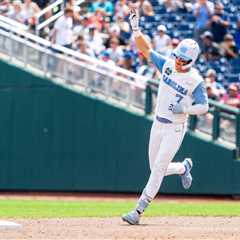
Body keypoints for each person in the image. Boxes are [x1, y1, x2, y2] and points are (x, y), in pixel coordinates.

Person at [122, 6, 209, 225]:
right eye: (178, 57)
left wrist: (186, 109)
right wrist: (135, 29)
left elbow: (204, 107)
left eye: (183, 60)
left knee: (159, 168)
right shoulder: (169, 65)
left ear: (192, 61)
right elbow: (146, 50)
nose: (179, 62)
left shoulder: (195, 80)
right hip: (158, 124)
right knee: (156, 168)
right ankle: (182, 167)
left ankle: (138, 210)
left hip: (175, 127)